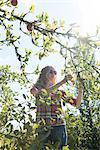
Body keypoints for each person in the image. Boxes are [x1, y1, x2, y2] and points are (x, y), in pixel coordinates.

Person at [30, 66, 83, 150]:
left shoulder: (59, 91)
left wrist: (81, 88)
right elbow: (44, 93)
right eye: (51, 72)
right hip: (43, 127)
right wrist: (64, 81)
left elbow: (76, 104)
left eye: (55, 72)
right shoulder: (37, 88)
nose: (53, 74)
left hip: (59, 125)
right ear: (44, 74)